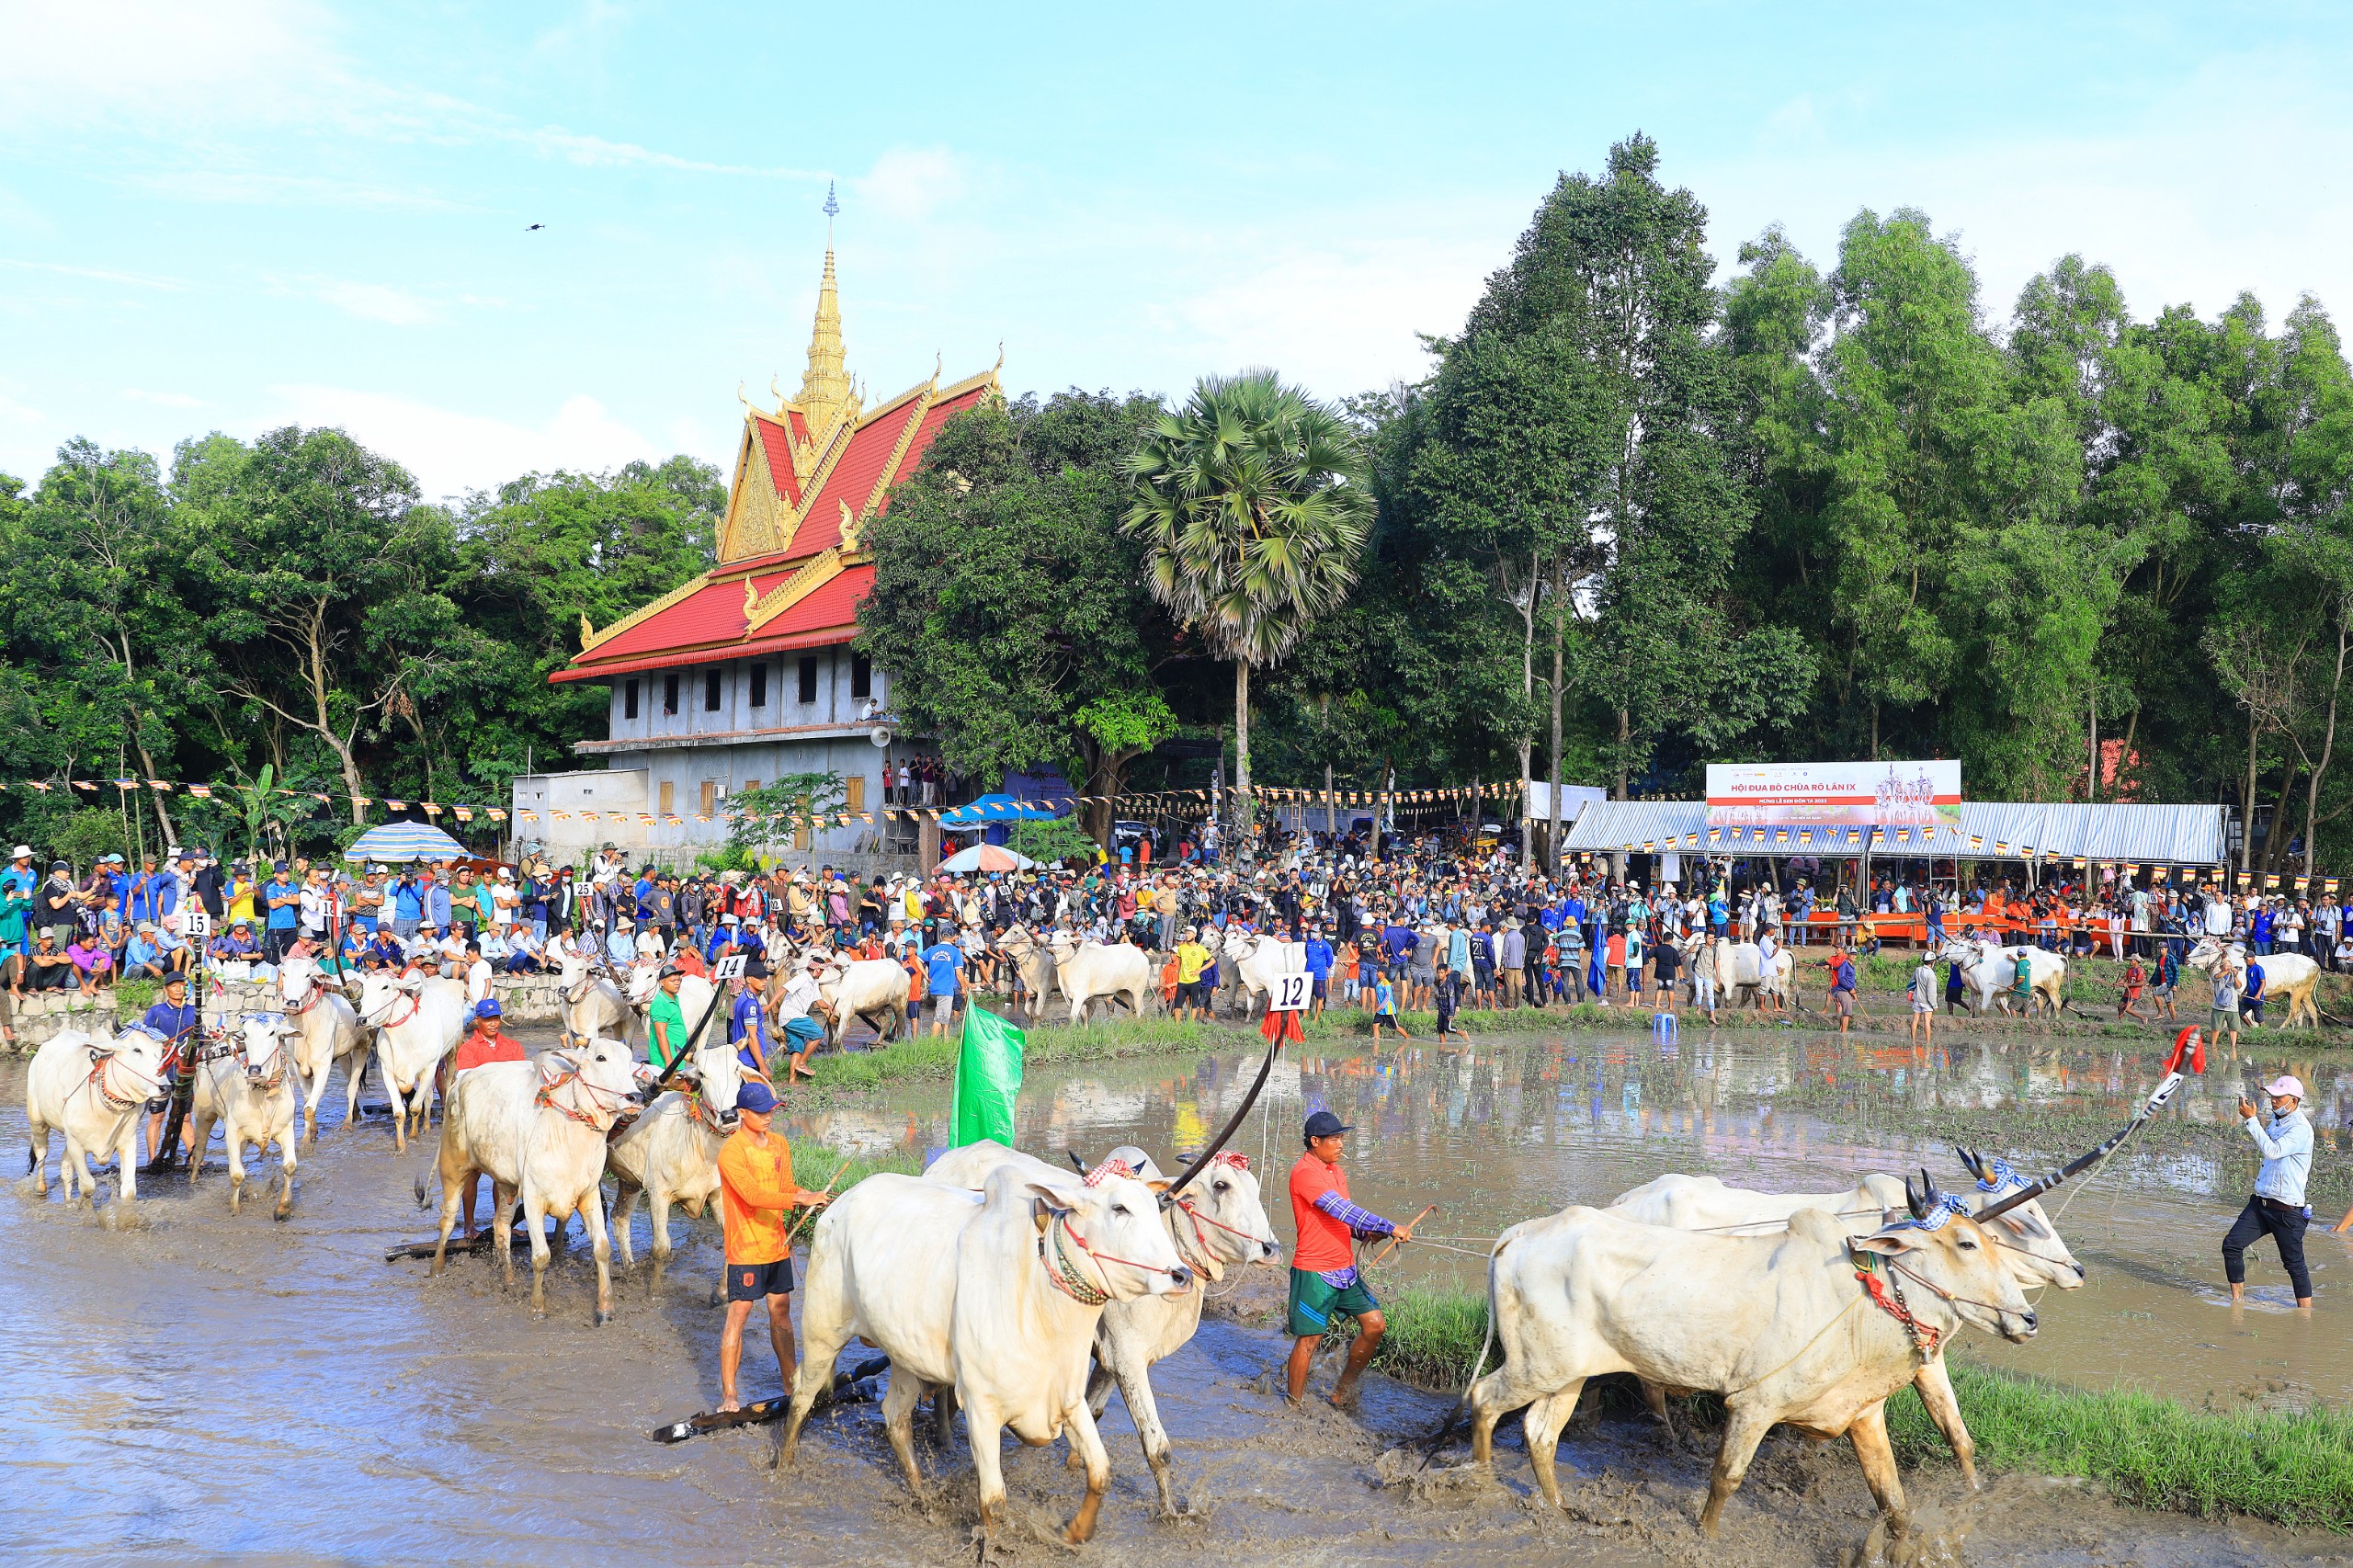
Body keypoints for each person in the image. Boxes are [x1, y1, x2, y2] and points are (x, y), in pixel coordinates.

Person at [715, 1077, 832, 1413]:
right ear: (742, 1113)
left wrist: (810, 1199)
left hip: (777, 1246)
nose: (769, 1116)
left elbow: (787, 1187)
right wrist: (798, 1200)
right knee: (739, 1314)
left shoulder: (780, 1143)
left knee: (781, 1313)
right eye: (761, 1111)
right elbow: (753, 1195)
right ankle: (730, 1396)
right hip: (746, 1248)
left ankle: (789, 1381)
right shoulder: (732, 1153)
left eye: (772, 1110)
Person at [1285, 1109, 1415, 1408]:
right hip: (1315, 1273)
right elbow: (1338, 1209)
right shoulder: (1304, 1172)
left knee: (1375, 1325)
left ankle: (1342, 1393)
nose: (1341, 1144)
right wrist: (1386, 1225)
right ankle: (1293, 1404)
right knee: (1309, 1341)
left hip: (1344, 1270)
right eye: (1335, 1139)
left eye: (1342, 1138)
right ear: (1315, 1141)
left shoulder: (1336, 1172)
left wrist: (1365, 1233)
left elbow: (1343, 1218)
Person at [2224, 1074, 2313, 1312]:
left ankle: (2305, 1316)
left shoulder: (2301, 1129)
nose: (2273, 1100)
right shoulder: (2277, 1122)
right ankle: (2237, 1304)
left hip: (2287, 1210)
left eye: (2278, 1097)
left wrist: (2252, 1121)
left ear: (2293, 1100)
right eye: (2271, 1096)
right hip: (2261, 1204)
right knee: (2232, 1245)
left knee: (2294, 1265)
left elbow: (2273, 1151)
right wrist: (2255, 1122)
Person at [448, 999, 526, 1240]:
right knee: (471, 1174)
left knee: (505, 1176)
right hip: (477, 1120)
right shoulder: (468, 1050)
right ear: (477, 1022)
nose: (493, 1023)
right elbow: (467, 1087)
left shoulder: (512, 1047)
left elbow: (523, 1081)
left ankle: (502, 1221)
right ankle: (469, 1224)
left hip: (505, 1120)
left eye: (496, 1019)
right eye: (488, 1019)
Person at [141, 971, 202, 1165]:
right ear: (165, 990)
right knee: (157, 1116)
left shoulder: (193, 1011)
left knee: (184, 1118)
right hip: (161, 1073)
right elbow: (145, 1038)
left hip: (184, 1072)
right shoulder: (156, 1011)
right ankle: (152, 1158)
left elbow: (200, 1041)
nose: (177, 989)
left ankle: (194, 1158)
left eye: (181, 985)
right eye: (173, 986)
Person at [920, 934, 963, 1037]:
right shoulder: (955, 951)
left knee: (944, 1014)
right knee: (939, 1018)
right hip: (945, 989)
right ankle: (932, 1044)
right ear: (953, 938)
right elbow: (959, 973)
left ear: (941, 937)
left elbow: (918, 960)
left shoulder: (932, 949)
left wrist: (926, 976)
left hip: (934, 988)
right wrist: (964, 988)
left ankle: (945, 1037)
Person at [647, 965, 688, 1073]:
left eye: (679, 979)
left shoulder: (673, 997)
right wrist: (669, 1061)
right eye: (673, 980)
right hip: (666, 1061)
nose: (677, 983)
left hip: (677, 1054)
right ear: (662, 982)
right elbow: (660, 1034)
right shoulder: (660, 1003)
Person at [1826, 944, 1858, 1036]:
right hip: (1842, 990)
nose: (1854, 956)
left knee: (1846, 1013)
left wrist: (1852, 991)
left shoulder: (1850, 965)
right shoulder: (1845, 965)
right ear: (1847, 955)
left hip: (1846, 990)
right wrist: (1851, 989)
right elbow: (1841, 979)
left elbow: (1848, 980)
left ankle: (1841, 1031)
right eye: (1851, 954)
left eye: (1855, 954)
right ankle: (1843, 1035)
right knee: (1847, 1013)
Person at [1908, 951, 1936, 1040]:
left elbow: (1912, 982)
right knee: (1927, 1021)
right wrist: (1934, 1005)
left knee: (1915, 1019)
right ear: (1933, 962)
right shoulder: (1931, 975)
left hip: (1916, 999)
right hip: (1926, 1001)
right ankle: (1928, 1042)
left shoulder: (1918, 970)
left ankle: (1913, 1040)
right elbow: (1931, 992)